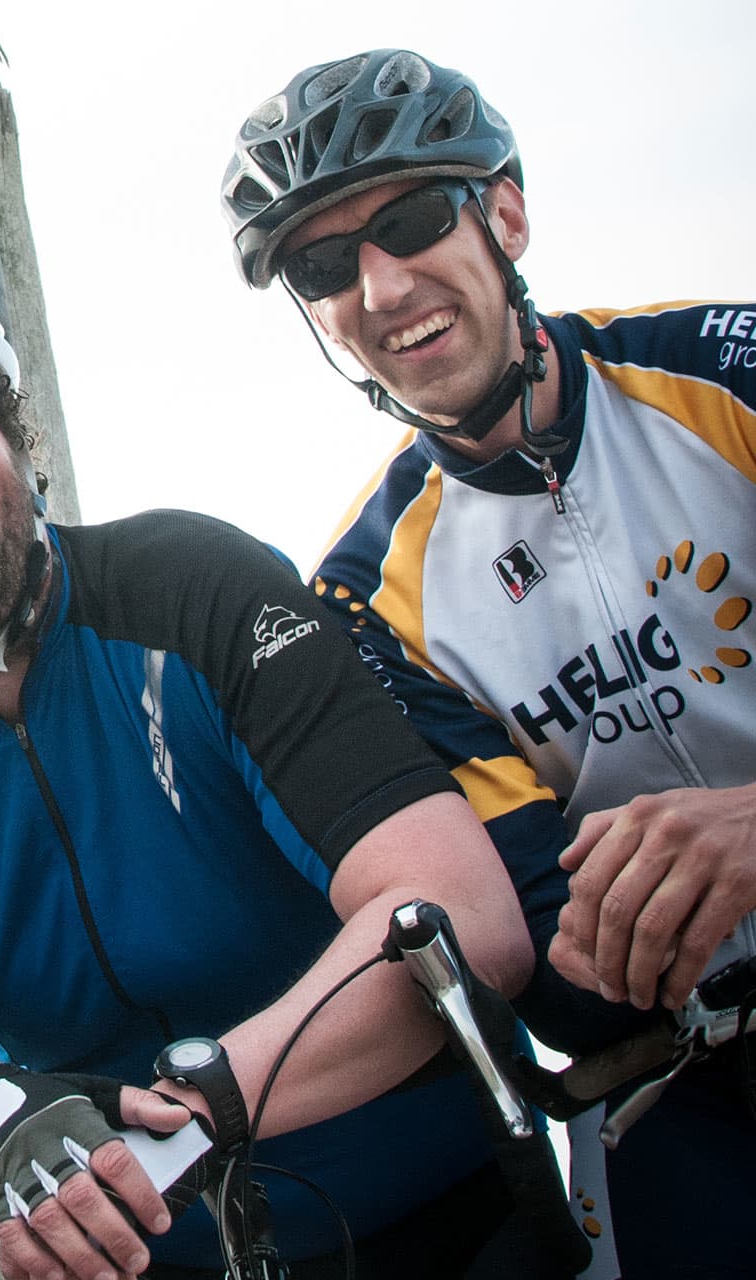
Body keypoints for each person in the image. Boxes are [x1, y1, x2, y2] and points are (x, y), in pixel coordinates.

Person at [0, 263, 550, 1280]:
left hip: (447, 1222)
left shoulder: (191, 584)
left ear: (12, 442)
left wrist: (179, 1119)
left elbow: (465, 913)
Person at [221, 47, 756, 1279]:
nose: (381, 282)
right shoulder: (364, 594)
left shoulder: (723, 371)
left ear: (504, 213)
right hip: (691, 1079)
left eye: (411, 218)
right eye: (321, 264)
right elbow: (558, 950)